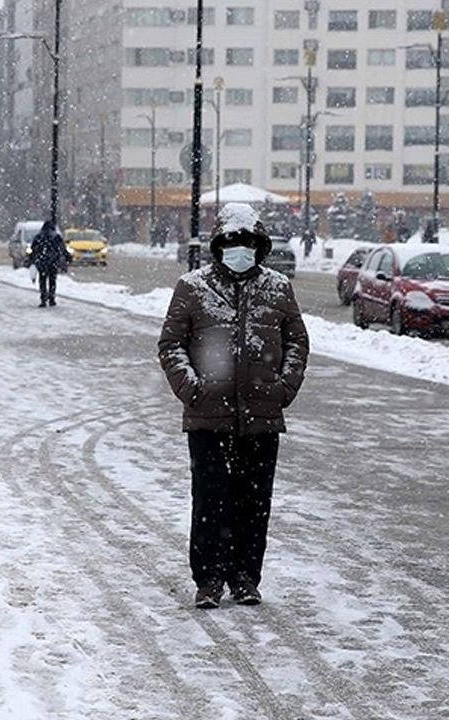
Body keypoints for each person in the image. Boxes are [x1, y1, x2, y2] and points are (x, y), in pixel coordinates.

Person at [157, 203, 310, 610]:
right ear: (219, 245)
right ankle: (208, 579)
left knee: (254, 501)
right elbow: (171, 344)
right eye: (232, 242)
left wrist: (283, 389)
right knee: (210, 500)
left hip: (261, 417)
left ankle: (245, 576)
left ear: (259, 247)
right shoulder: (192, 288)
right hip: (208, 416)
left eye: (247, 243)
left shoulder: (277, 288)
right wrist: (192, 388)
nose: (239, 250)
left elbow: (297, 341)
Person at [26, 220, 70, 308]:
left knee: (42, 280)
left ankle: (43, 298)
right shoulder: (56, 236)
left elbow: (33, 249)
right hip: (53, 261)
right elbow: (62, 249)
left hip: (41, 262)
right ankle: (51, 298)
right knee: (52, 280)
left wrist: (31, 259)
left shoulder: (38, 236)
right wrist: (67, 257)